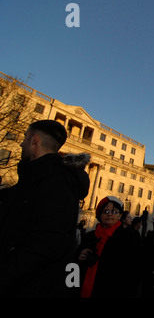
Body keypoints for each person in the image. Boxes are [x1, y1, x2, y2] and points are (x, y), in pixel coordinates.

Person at [0, 120, 90, 297]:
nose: (21, 142)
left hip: (30, 287)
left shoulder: (55, 181)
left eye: (25, 137)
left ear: (34, 140)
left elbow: (47, 242)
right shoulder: (35, 179)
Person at [76, 196, 140, 298]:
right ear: (100, 215)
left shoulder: (127, 238)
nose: (110, 214)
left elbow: (133, 273)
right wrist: (79, 258)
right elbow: (73, 267)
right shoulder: (89, 236)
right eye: (106, 211)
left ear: (119, 216)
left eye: (114, 211)